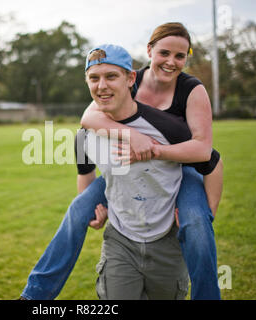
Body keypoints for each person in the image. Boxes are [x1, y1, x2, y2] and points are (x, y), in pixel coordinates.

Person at [20, 23, 222, 300]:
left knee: (197, 223)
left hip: (181, 164)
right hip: (125, 169)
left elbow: (204, 152)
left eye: (180, 56)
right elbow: (88, 120)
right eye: (164, 53)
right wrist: (129, 137)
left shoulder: (190, 90)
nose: (171, 62)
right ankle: (34, 296)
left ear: (127, 79)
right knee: (80, 208)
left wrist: (205, 210)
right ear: (149, 51)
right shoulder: (128, 80)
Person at [79, 44, 193, 299]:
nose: (102, 86)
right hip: (120, 241)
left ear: (131, 78)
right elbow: (84, 172)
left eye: (111, 76)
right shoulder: (83, 135)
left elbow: (210, 161)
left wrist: (196, 214)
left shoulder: (168, 127)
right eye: (94, 78)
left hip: (166, 240)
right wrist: (94, 208)